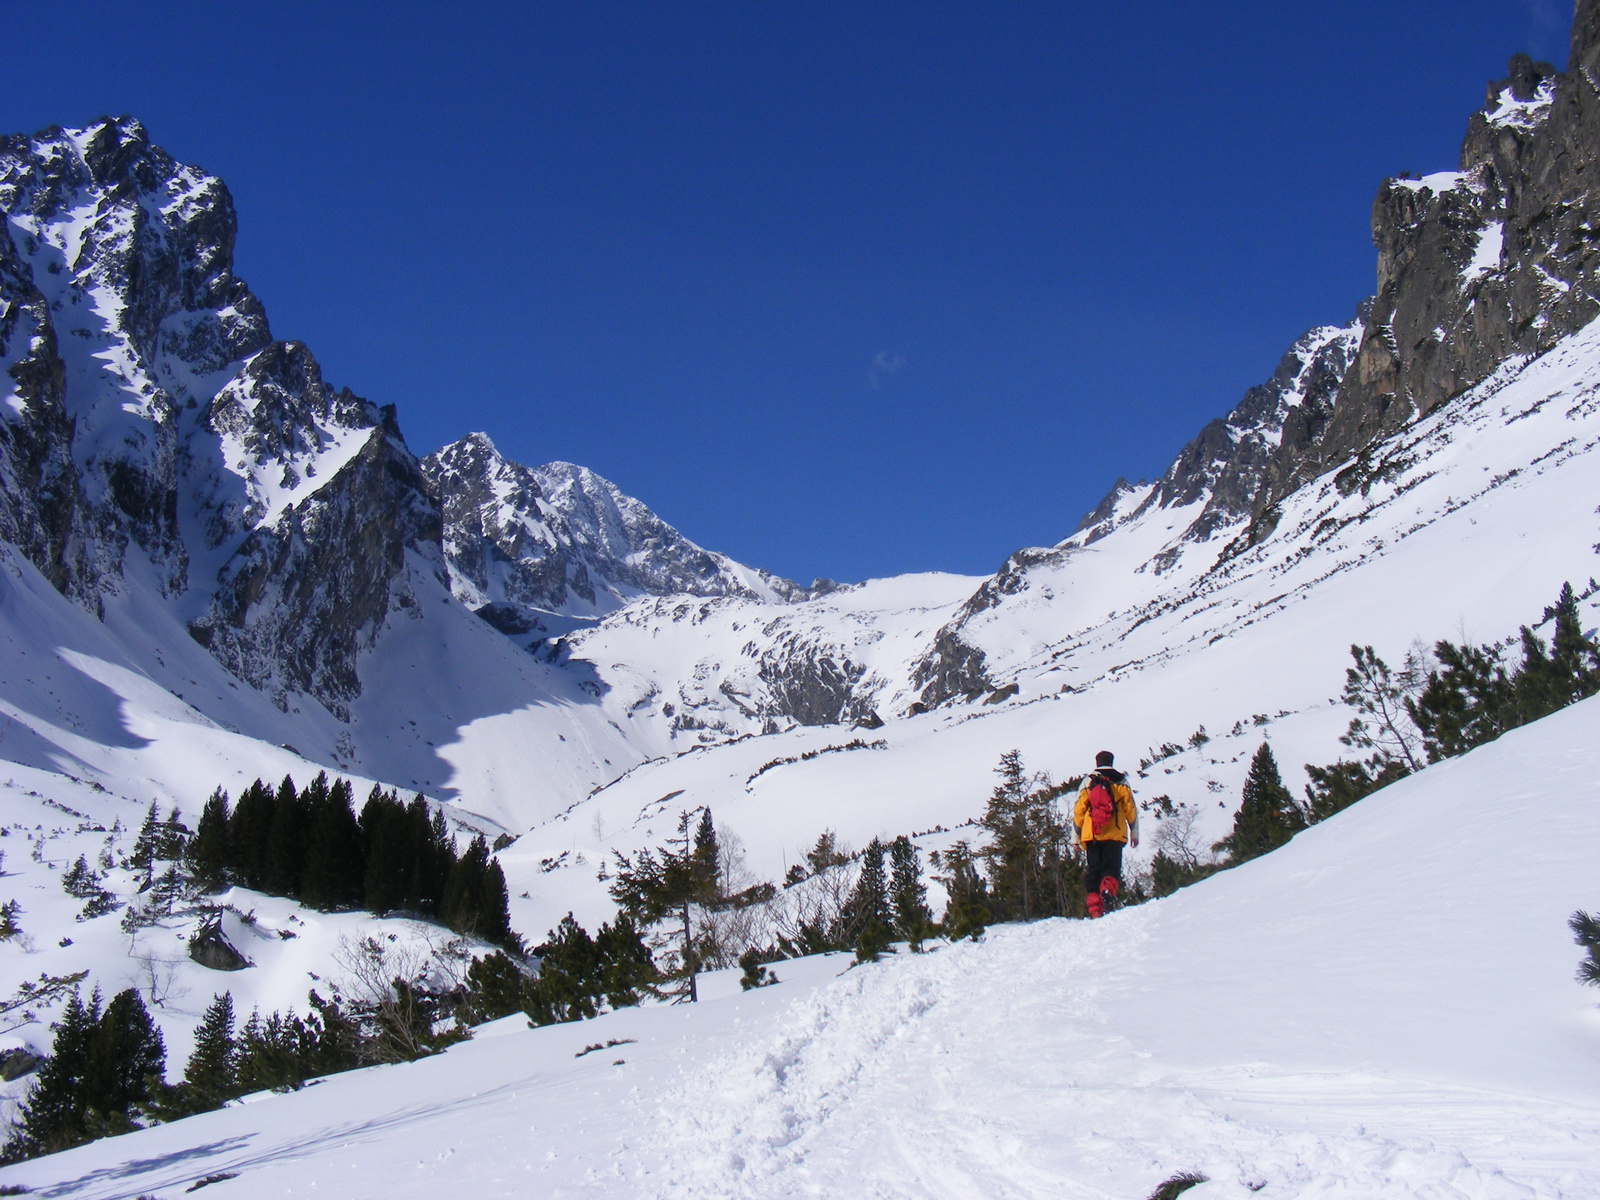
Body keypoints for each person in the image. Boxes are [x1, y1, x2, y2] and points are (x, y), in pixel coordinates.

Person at [1073, 750, 1137, 918]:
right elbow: (1131, 809)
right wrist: (1134, 832)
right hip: (1114, 834)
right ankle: (1107, 893)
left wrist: (1075, 837)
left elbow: (1079, 810)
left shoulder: (1088, 781)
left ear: (1097, 763)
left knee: (1094, 870)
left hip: (1092, 834)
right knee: (1111, 868)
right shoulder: (1121, 781)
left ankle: (1095, 910)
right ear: (1112, 762)